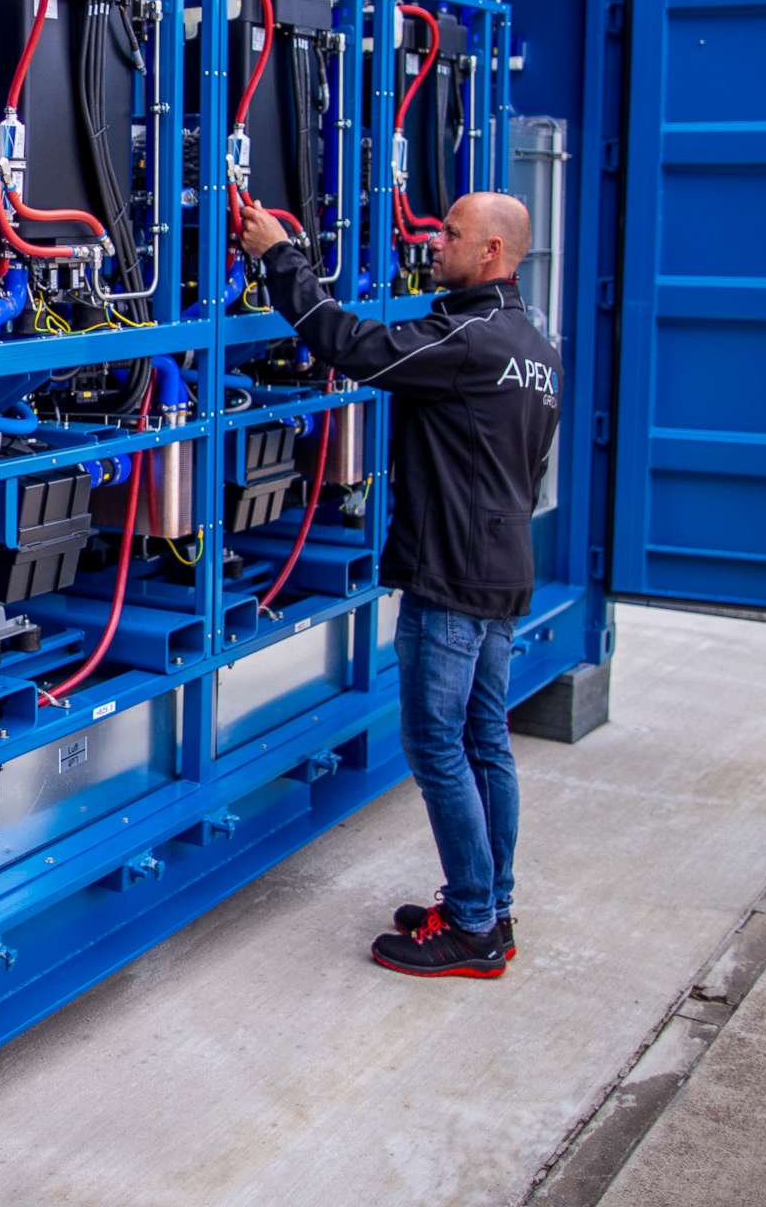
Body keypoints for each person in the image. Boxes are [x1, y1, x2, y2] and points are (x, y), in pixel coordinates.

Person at [238, 191, 559, 980]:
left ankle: (475, 924)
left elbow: (356, 346)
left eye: (450, 234)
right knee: (485, 742)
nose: (433, 241)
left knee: (435, 744)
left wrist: (280, 256)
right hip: (502, 568)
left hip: (451, 576)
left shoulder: (469, 340)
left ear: (491, 253)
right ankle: (489, 902)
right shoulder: (537, 347)